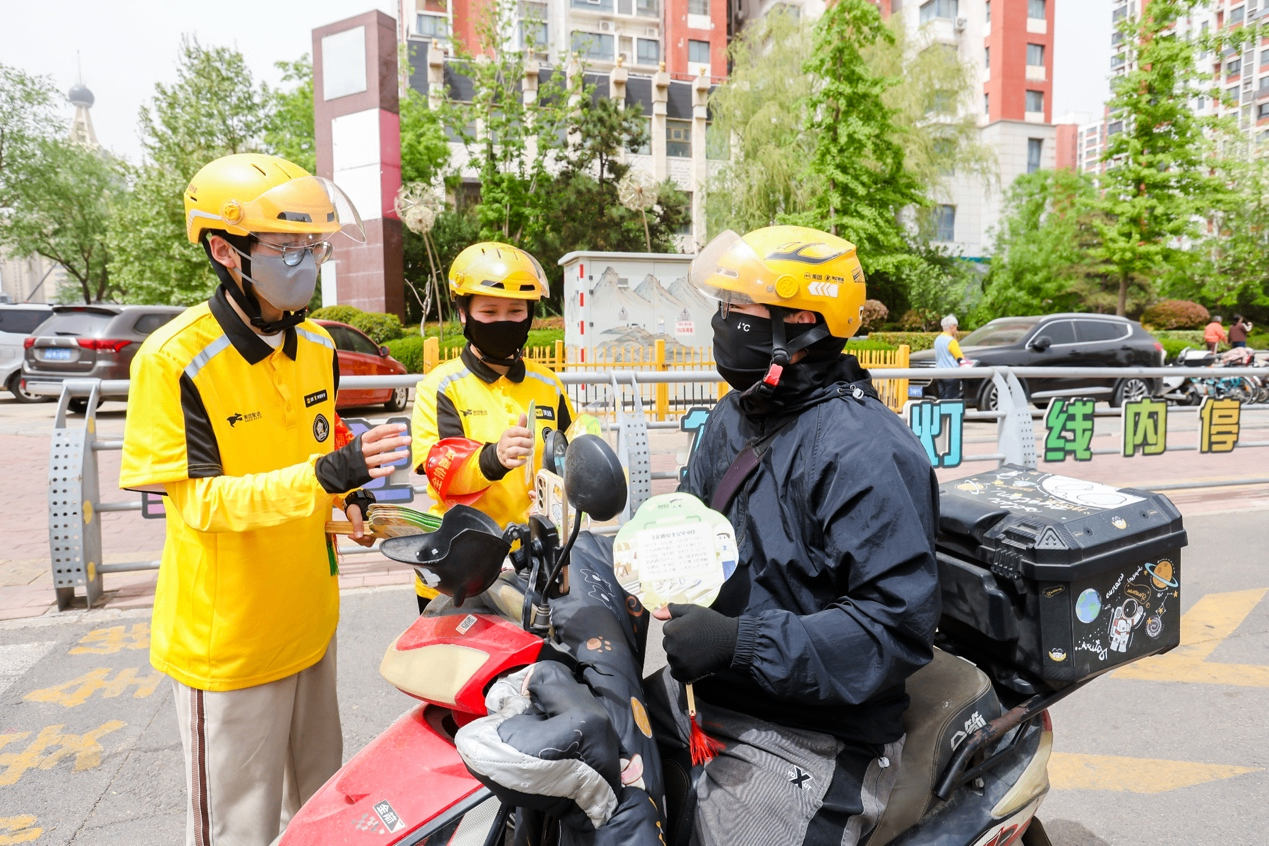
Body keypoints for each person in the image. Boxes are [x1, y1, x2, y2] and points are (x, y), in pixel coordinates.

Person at [119, 153, 412, 846]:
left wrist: (353, 497)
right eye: (287, 247)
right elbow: (201, 504)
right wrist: (325, 476)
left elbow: (321, 439)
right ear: (225, 250)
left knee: (319, 814)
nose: (307, 262)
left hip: (310, 622)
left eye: (315, 246)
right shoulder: (173, 360)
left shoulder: (316, 345)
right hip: (231, 643)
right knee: (237, 830)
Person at [648, 226, 941, 846]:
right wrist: (636, 562)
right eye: (723, 305)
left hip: (812, 728)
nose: (723, 321)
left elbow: (893, 628)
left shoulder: (865, 452)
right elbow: (691, 520)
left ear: (801, 322)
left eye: (739, 307)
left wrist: (740, 641)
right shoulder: (738, 412)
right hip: (712, 690)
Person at [410, 241, 574, 613]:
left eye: (515, 311)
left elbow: (571, 455)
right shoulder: (441, 386)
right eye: (489, 311)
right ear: (463, 314)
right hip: (459, 568)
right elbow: (438, 469)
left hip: (537, 563)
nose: (504, 321)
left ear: (530, 315)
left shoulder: (549, 385)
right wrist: (494, 457)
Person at [933, 313, 965, 399]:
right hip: (951, 375)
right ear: (952, 327)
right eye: (956, 327)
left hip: (939, 374)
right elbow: (959, 358)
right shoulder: (951, 341)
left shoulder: (938, 340)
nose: (956, 330)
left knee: (942, 399)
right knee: (952, 400)